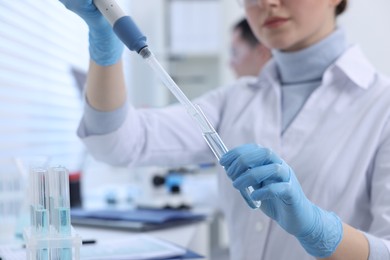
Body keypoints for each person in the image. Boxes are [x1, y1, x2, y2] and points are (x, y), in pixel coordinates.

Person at [59, 0, 390, 259]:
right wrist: (104, 44)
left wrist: (319, 231)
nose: (266, 2)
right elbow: (115, 142)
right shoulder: (234, 101)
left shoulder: (382, 106)